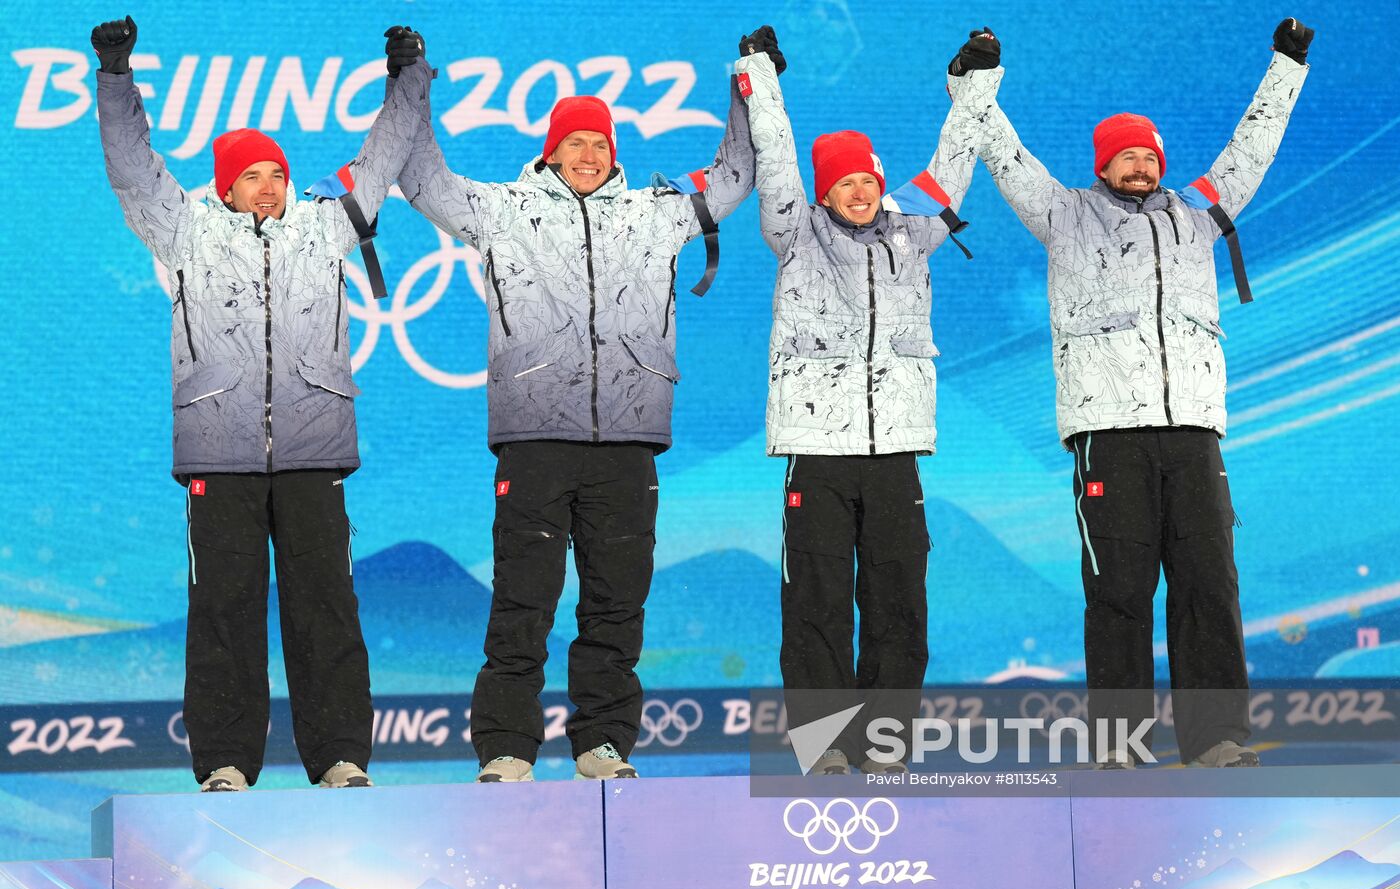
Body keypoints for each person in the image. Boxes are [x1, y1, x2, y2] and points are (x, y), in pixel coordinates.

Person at [397, 29, 756, 782]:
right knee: (523, 602)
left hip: (628, 444)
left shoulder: (656, 212)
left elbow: (733, 177)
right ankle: (505, 747)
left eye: (600, 142)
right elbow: (421, 178)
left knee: (616, 605)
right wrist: (409, 83)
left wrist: (749, 81)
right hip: (535, 440)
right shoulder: (505, 209)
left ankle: (603, 743)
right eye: (575, 142)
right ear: (551, 149)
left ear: (614, 150)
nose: (588, 154)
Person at [93, 17, 430, 790]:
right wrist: (116, 76)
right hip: (221, 458)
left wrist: (408, 76)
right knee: (223, 619)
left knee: (327, 614)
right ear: (224, 186)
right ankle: (224, 765)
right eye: (253, 176)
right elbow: (131, 167)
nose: (270, 186)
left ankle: (341, 758)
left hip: (313, 457)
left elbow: (380, 161)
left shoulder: (324, 226)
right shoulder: (185, 232)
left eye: (276, 173)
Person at [974, 19, 1314, 767]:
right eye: (1124, 155)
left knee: (1209, 589)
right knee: (1119, 593)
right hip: (1107, 434)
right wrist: (975, 81)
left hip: (1193, 430)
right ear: (1104, 163)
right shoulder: (1063, 214)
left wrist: (1286, 66)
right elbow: (1004, 156)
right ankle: (1119, 747)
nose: (1137, 165)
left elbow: (1250, 147)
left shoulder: (1197, 217)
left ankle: (1217, 738)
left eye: (1146, 154)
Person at [736, 28, 1002, 774]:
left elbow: (954, 162)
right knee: (816, 602)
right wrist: (760, 73)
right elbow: (778, 158)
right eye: (845, 180)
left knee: (898, 604)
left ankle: (884, 744)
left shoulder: (913, 236)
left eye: (869, 179)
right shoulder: (794, 235)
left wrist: (975, 81)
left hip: (894, 455)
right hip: (817, 453)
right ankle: (825, 746)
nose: (860, 189)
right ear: (823, 189)